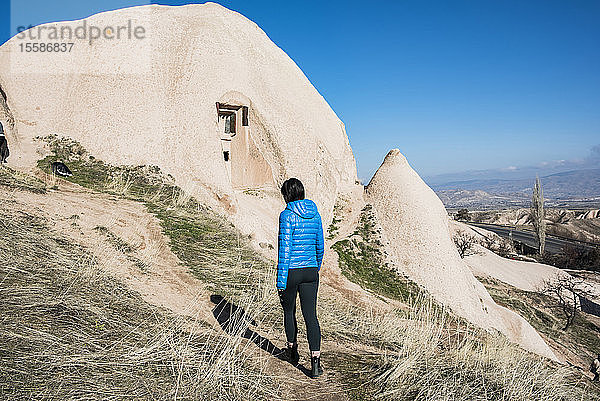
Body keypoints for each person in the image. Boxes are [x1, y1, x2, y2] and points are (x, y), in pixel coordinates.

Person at [277, 178, 324, 378]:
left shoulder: (287, 215)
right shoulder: (315, 214)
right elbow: (320, 246)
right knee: (310, 316)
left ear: (287, 195)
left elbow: (284, 250)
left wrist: (281, 281)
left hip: (292, 271)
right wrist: (315, 268)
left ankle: (292, 351)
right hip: (310, 271)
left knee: (289, 311)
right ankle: (315, 364)